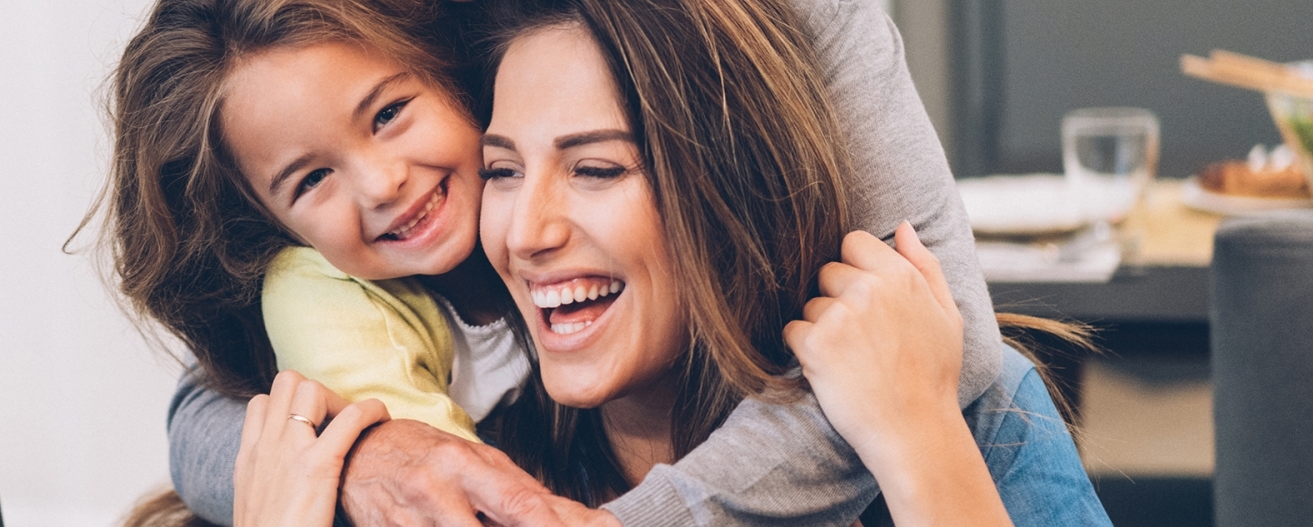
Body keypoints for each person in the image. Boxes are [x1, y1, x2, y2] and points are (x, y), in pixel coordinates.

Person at [227, 0, 1109, 525]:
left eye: (598, 168)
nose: (527, 231)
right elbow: (205, 403)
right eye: (500, 171)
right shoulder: (486, 461)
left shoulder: (970, 418)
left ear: (731, 193)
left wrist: (919, 442)